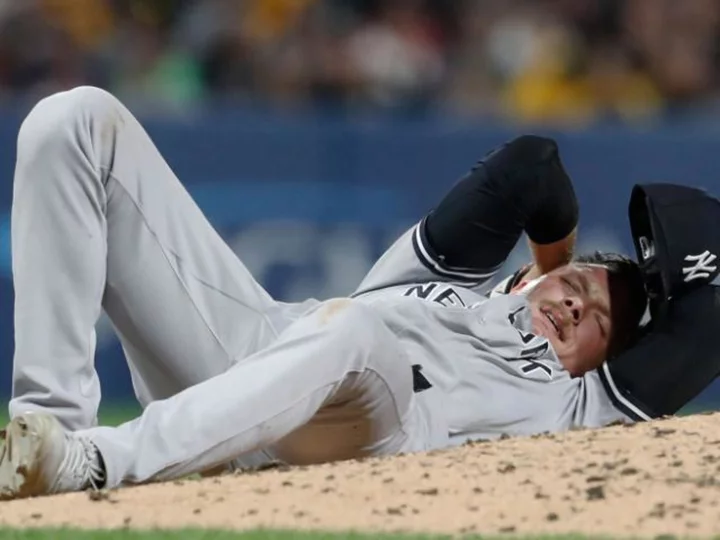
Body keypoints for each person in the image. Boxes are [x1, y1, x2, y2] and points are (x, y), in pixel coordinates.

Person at [0, 87, 648, 500]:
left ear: (606, 360)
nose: (577, 305)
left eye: (598, 319)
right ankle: (46, 435)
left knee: (353, 330)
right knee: (75, 119)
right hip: (253, 357)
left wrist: (575, 282)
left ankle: (91, 463)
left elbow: (708, 316)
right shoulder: (439, 282)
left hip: (363, 431)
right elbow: (531, 166)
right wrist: (554, 263)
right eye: (581, 286)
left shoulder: (578, 401)